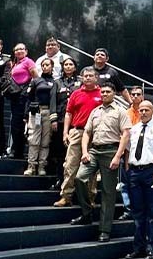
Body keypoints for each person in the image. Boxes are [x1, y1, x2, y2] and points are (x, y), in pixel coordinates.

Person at [70, 82, 132, 243]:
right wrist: (84, 152)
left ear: (114, 94)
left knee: (108, 192)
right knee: (79, 178)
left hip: (111, 152)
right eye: (102, 92)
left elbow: (126, 135)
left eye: (108, 92)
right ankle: (87, 212)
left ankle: (105, 230)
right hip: (94, 151)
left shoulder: (120, 112)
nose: (104, 94)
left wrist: (118, 156)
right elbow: (87, 133)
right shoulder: (95, 111)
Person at [125, 100, 153, 259]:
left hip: (151, 171)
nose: (143, 112)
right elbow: (129, 150)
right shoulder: (135, 129)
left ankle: (152, 246)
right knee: (137, 212)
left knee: (152, 211)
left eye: (146, 110)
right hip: (135, 173)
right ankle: (138, 248)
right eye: (141, 110)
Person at [54, 67, 101, 208]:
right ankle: (66, 196)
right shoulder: (76, 93)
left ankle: (90, 198)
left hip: (94, 135)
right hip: (77, 132)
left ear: (96, 78)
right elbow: (68, 113)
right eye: (85, 76)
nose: (87, 78)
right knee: (70, 165)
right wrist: (65, 132)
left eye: (90, 75)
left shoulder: (102, 94)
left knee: (91, 168)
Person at [49, 56, 81, 180]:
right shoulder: (57, 82)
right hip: (60, 121)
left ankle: (72, 180)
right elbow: (53, 102)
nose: (68, 66)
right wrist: (53, 119)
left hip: (75, 122)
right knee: (59, 151)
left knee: (73, 153)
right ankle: (59, 178)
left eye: (70, 64)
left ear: (75, 67)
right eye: (66, 65)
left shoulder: (80, 82)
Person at [24, 57, 57, 176]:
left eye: (47, 65)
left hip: (48, 112)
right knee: (33, 139)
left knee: (45, 141)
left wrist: (54, 117)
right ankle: (31, 166)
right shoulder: (36, 80)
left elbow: (55, 100)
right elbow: (29, 98)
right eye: (43, 65)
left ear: (52, 67)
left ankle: (42, 166)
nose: (45, 67)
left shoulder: (55, 82)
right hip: (36, 112)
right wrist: (25, 115)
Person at [4, 43, 37, 159]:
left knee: (18, 124)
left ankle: (17, 151)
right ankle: (16, 150)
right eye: (16, 49)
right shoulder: (14, 64)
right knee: (15, 124)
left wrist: (30, 90)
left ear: (26, 51)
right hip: (14, 95)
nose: (19, 51)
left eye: (21, 49)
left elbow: (36, 78)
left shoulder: (29, 62)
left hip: (24, 95)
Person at [117, 86, 145, 221]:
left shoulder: (145, 113)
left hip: (142, 154)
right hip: (127, 152)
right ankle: (128, 209)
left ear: (142, 97)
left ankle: (139, 209)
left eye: (138, 94)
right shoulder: (126, 112)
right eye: (132, 94)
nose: (134, 96)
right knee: (125, 183)